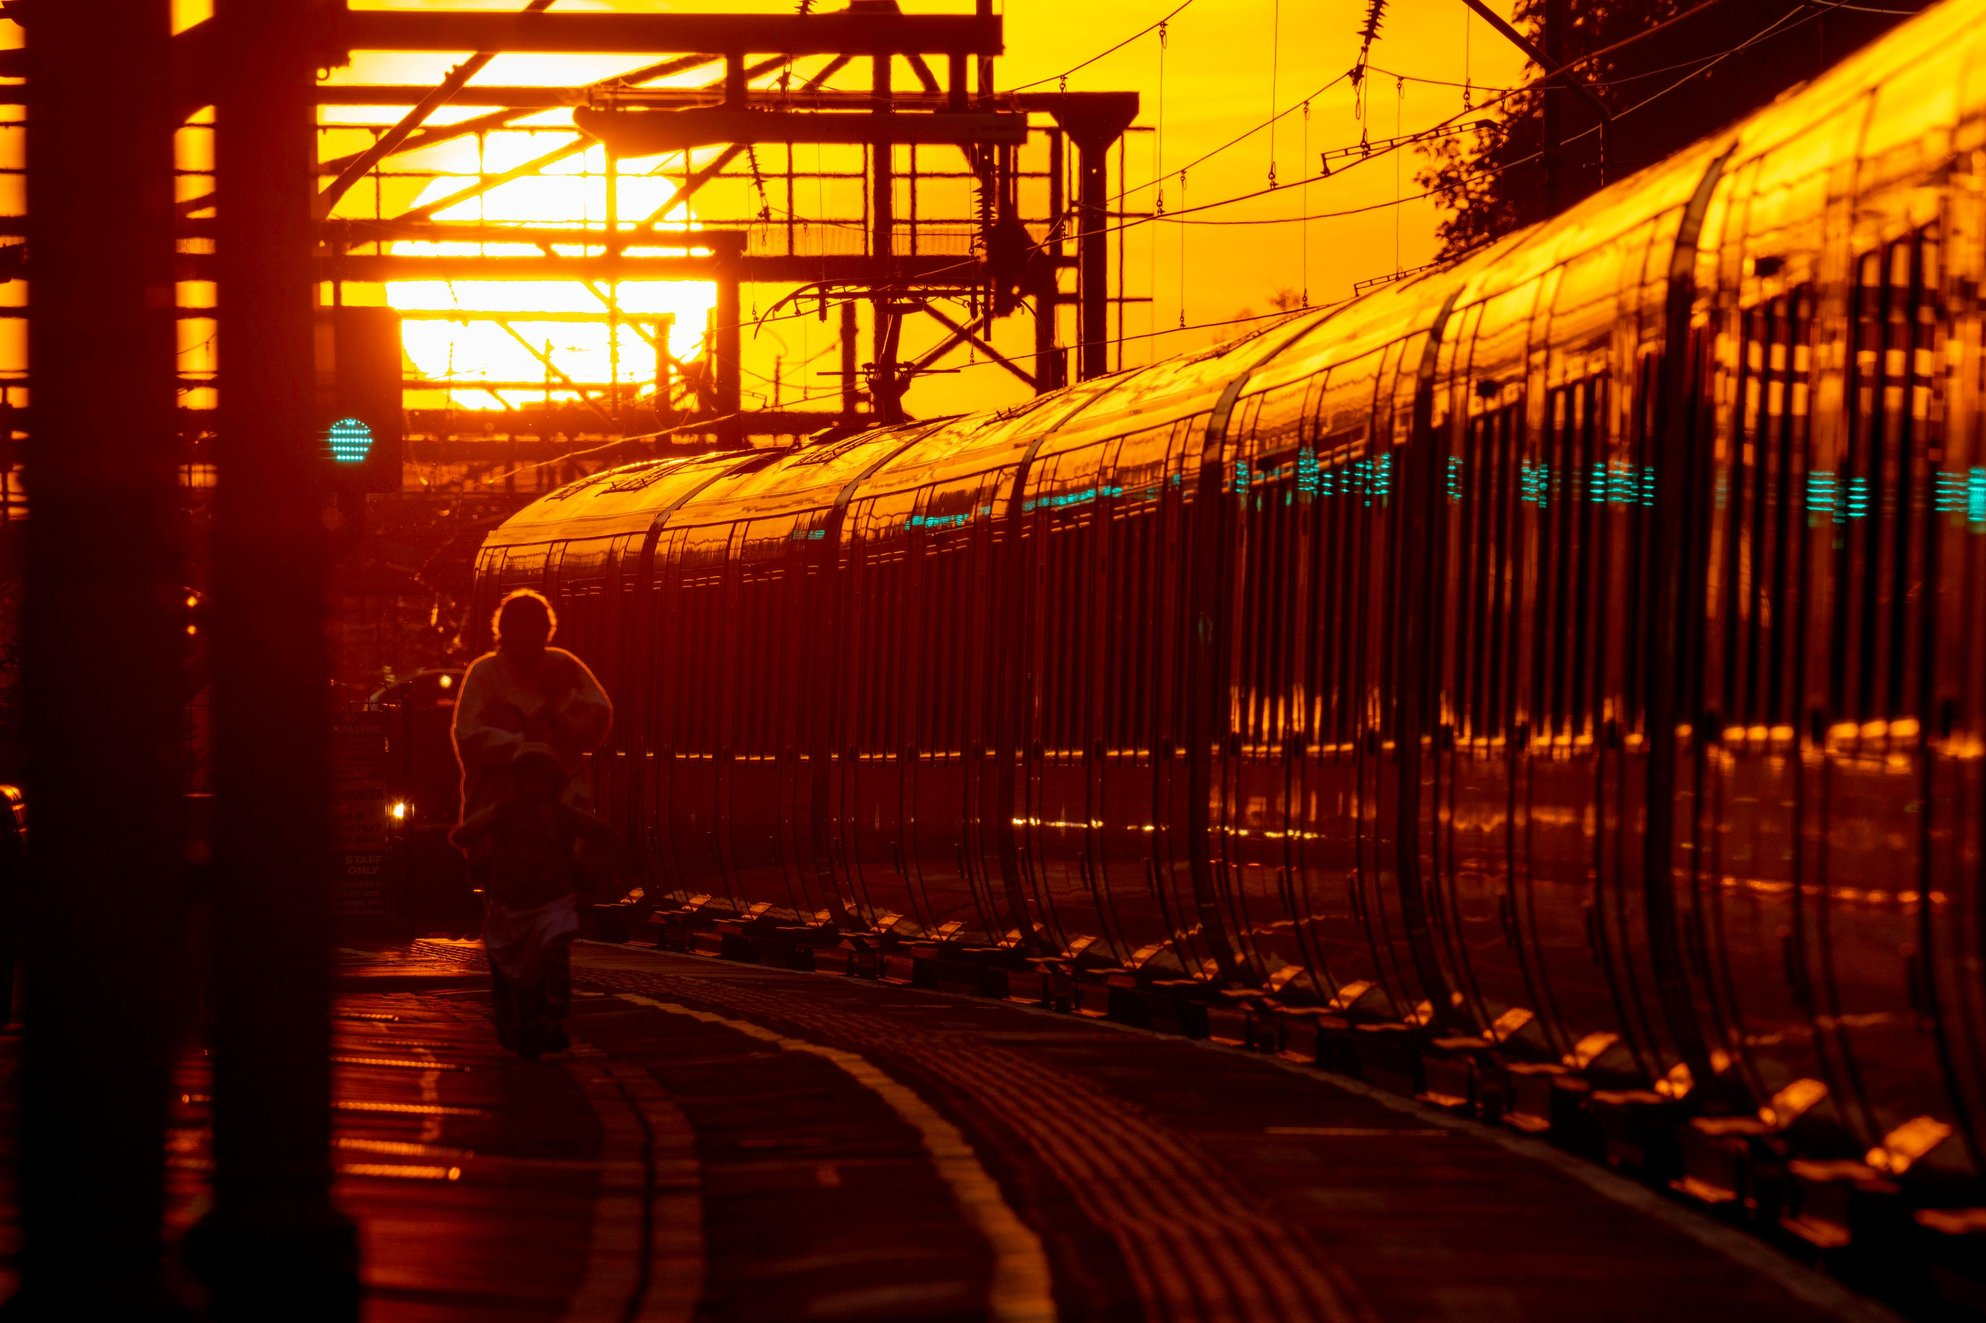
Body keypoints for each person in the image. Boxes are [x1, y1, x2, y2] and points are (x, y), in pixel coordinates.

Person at [451, 589, 613, 1052]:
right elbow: (469, 736)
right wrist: (523, 744)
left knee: (554, 935)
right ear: (502, 635)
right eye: (518, 639)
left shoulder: (564, 669)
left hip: (556, 826)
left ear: (547, 635)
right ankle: (514, 1008)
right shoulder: (484, 674)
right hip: (498, 828)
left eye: (536, 638)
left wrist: (560, 727)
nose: (527, 648)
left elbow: (596, 717)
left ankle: (548, 1012)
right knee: (504, 933)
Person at [449, 743, 616, 1056]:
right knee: (511, 968)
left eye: (544, 780)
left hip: (554, 899)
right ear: (518, 782)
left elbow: (603, 834)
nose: (537, 787)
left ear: (555, 782)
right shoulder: (505, 811)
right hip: (509, 902)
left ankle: (552, 1018)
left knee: (553, 953)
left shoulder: (565, 815)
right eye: (529, 779)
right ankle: (521, 1022)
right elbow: (463, 834)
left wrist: (591, 855)